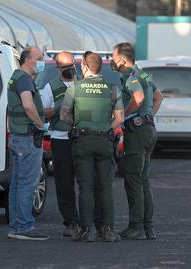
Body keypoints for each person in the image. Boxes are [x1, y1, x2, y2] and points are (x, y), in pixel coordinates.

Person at [60, 51, 124, 242]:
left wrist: (77, 126)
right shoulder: (112, 89)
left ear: (84, 67)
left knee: (85, 186)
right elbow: (119, 118)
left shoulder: (75, 88)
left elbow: (63, 115)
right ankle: (108, 230)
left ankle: (87, 231)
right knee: (105, 186)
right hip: (104, 142)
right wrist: (105, 127)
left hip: (82, 141)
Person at [110, 42, 163, 240]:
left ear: (122, 60)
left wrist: (123, 115)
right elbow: (158, 96)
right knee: (143, 181)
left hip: (137, 133)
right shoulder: (144, 74)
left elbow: (138, 98)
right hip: (148, 129)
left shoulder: (130, 77)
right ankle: (148, 228)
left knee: (133, 181)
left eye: (114, 58)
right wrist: (148, 116)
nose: (112, 62)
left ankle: (136, 227)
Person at [7, 46, 50, 241]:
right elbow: (27, 105)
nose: (42, 62)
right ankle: (24, 226)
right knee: (27, 183)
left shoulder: (16, 77)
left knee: (17, 183)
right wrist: (40, 125)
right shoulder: (24, 80)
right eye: (39, 58)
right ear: (28, 60)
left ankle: (16, 225)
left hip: (18, 137)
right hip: (27, 137)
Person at [40, 51, 80, 237]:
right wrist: (59, 106)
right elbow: (43, 112)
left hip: (82, 139)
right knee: (64, 184)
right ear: (57, 68)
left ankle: (88, 222)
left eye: (71, 65)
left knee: (87, 182)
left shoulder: (83, 84)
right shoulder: (50, 87)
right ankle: (71, 222)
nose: (69, 69)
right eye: (64, 67)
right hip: (60, 139)